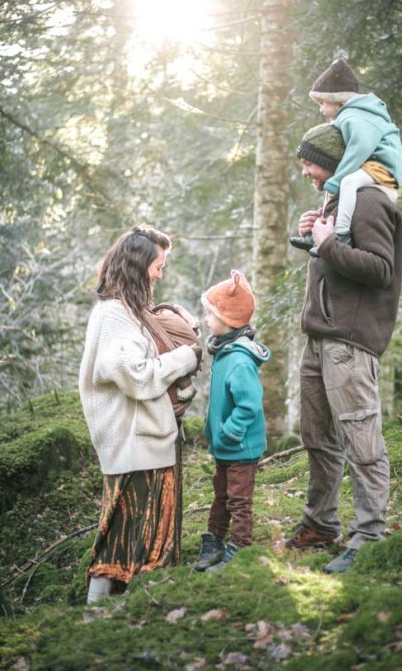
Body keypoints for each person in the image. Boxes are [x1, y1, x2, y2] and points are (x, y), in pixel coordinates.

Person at [282, 123, 402, 574]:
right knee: (317, 437)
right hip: (319, 338)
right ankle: (321, 524)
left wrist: (328, 244)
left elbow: (380, 269)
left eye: (309, 162)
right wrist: (315, 234)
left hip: (349, 343)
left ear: (332, 161)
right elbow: (334, 256)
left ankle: (369, 535)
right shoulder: (339, 199)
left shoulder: (369, 199)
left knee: (361, 439)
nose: (305, 171)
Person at [79, 226, 202, 603]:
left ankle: (140, 607)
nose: (160, 275)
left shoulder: (130, 311)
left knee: (147, 533)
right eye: (157, 266)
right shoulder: (114, 314)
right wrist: (186, 356)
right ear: (137, 265)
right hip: (131, 444)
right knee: (122, 532)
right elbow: (134, 375)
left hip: (147, 440)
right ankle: (96, 611)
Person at [194, 270, 270, 572]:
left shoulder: (239, 360)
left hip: (240, 446)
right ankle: (214, 540)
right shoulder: (223, 351)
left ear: (228, 319)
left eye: (210, 314)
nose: (206, 320)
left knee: (238, 499)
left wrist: (229, 431)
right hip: (225, 445)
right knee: (221, 495)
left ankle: (241, 546)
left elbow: (249, 405)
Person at [290, 58, 402, 250]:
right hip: (372, 166)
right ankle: (319, 234)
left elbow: (359, 148)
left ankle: (341, 234)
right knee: (339, 185)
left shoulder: (354, 118)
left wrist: (329, 244)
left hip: (383, 166)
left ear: (339, 102)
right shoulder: (347, 118)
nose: (321, 109)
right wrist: (316, 227)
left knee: (347, 182)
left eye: (322, 103)